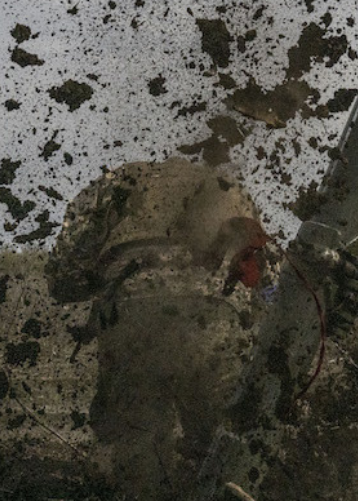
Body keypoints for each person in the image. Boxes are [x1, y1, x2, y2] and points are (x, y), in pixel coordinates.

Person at [46, 159, 280, 499]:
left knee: (135, 455)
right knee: (230, 448)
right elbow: (268, 286)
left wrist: (103, 278)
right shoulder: (228, 187)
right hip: (217, 326)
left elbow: (63, 278)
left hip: (134, 321)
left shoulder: (114, 186)